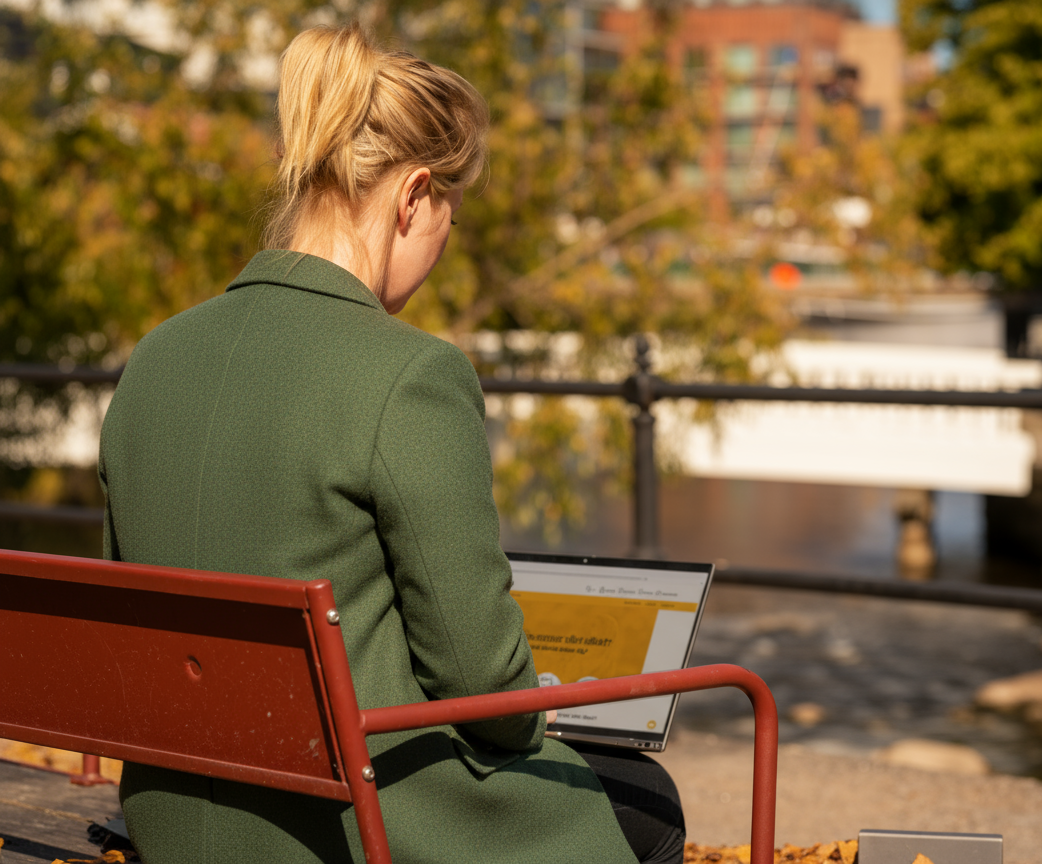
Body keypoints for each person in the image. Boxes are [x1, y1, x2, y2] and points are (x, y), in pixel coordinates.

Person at [98, 21, 685, 864]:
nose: (445, 240)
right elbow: (483, 684)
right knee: (647, 799)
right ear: (413, 197)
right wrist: (538, 708)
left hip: (176, 810)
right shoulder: (412, 376)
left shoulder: (155, 358)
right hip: (354, 818)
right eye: (451, 212)